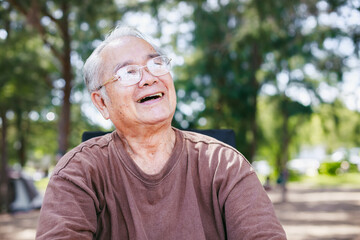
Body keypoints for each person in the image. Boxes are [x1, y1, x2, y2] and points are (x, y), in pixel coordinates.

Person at [36, 25, 287, 239]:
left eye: (156, 64)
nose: (148, 78)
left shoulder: (225, 164)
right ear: (102, 103)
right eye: (128, 73)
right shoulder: (77, 173)